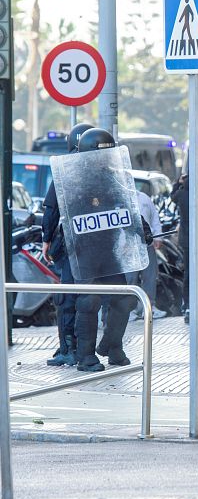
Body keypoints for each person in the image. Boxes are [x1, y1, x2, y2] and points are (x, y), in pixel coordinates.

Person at [71, 128, 142, 372]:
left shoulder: (113, 179)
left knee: (125, 300)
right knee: (89, 302)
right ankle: (85, 356)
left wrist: (140, 228)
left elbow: (126, 208)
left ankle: (112, 347)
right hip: (86, 253)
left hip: (109, 252)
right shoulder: (73, 180)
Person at [41, 122, 93, 366]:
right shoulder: (103, 168)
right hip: (99, 246)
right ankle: (88, 351)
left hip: (72, 243)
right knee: (94, 298)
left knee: (67, 297)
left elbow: (52, 209)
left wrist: (46, 239)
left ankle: (68, 349)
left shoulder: (65, 169)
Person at [171, 167, 198, 321]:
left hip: (187, 240)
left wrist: (179, 182)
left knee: (189, 273)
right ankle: (195, 303)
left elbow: (172, 196)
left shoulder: (182, 194)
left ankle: (188, 306)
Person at [126, 189, 168, 321]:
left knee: (149, 277)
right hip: (129, 247)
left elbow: (154, 217)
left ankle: (150, 307)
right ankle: (130, 310)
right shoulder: (120, 199)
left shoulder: (144, 197)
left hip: (147, 244)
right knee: (130, 279)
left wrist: (157, 237)